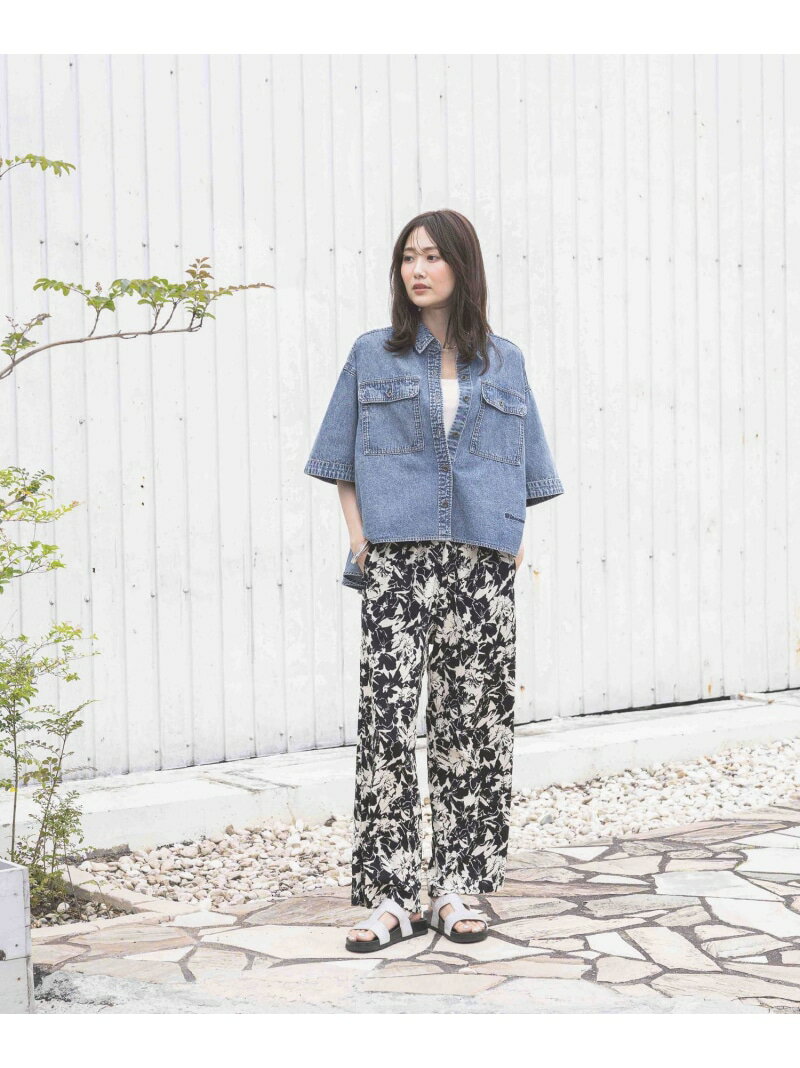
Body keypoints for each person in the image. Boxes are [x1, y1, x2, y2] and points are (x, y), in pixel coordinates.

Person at [304, 208, 564, 952]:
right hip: (395, 559)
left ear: (462, 266)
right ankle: (391, 896)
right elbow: (340, 459)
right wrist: (359, 540)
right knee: (387, 721)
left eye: (432, 257)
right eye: (407, 258)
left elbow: (526, 466)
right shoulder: (372, 354)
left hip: (480, 565)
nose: (417, 270)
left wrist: (510, 541)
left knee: (471, 726)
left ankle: (455, 886)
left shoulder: (505, 362)